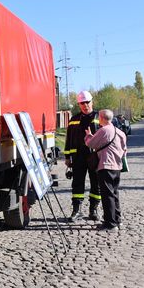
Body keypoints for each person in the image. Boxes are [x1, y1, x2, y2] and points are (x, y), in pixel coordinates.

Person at [84, 109, 127, 233]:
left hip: (105, 166)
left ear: (102, 118)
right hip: (117, 167)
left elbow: (91, 143)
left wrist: (88, 135)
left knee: (107, 196)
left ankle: (110, 224)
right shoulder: (120, 132)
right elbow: (124, 150)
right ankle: (117, 220)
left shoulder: (103, 130)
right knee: (114, 194)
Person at [64, 90, 101, 222]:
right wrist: (67, 157)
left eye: (87, 102)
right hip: (78, 157)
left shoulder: (99, 117)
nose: (85, 105)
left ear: (92, 101)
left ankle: (93, 210)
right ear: (79, 104)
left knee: (96, 183)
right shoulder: (74, 120)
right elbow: (68, 139)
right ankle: (76, 210)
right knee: (77, 183)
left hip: (95, 156)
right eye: (82, 103)